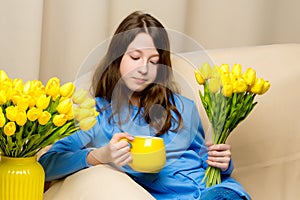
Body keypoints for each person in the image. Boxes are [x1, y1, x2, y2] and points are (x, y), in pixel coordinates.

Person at [39, 11, 250, 200]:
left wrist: (222, 162)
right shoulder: (95, 113)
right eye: (135, 57)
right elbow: (47, 165)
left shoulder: (182, 107)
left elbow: (202, 159)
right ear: (117, 58)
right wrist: (101, 155)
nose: (143, 68)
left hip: (220, 192)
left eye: (153, 61)